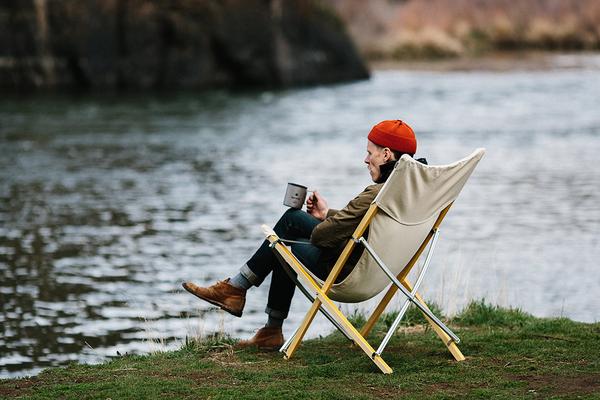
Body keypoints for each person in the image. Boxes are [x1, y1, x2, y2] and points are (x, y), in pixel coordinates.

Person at [182, 120, 426, 350]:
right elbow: (368, 223)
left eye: (370, 153)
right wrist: (326, 213)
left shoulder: (377, 193)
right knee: (283, 240)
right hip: (381, 271)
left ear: (386, 154)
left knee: (288, 226)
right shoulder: (413, 191)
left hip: (346, 272)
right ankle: (264, 324)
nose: (365, 159)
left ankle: (239, 293)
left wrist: (318, 222)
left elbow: (322, 237)